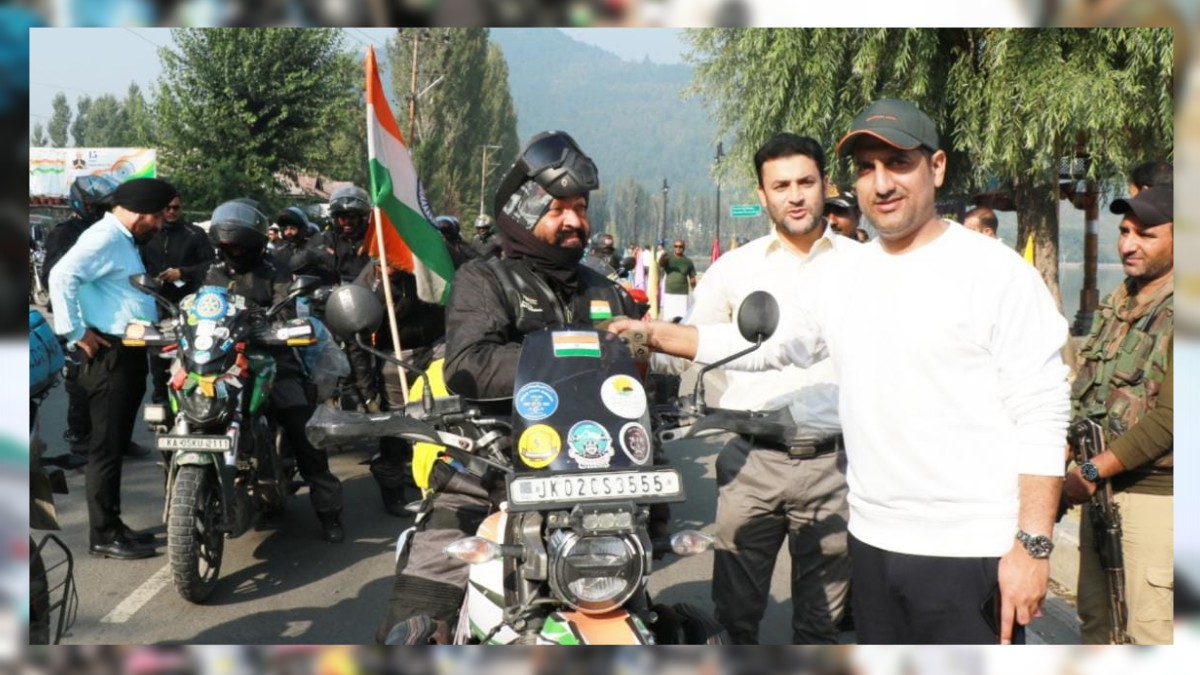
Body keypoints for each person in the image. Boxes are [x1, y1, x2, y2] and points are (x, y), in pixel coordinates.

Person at [610, 99, 1070, 645]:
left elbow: (1041, 411)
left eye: (898, 163)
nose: (881, 183)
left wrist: (1033, 546)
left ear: (937, 167)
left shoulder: (995, 273)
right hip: (872, 538)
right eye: (866, 167)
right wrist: (657, 334)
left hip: (966, 548)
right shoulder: (845, 277)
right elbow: (767, 344)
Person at [376, 130, 639, 643]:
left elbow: (637, 376)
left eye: (580, 208)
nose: (574, 221)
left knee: (641, 599)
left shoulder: (604, 289)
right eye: (558, 208)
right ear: (522, 209)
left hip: (594, 478)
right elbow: (469, 362)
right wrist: (576, 361)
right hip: (486, 469)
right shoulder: (485, 279)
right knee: (411, 616)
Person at [655, 133, 856, 643]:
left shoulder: (864, 267)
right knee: (735, 617)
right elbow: (699, 348)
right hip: (752, 465)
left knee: (823, 624)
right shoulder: (734, 270)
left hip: (838, 466)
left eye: (806, 182)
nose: (795, 196)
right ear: (763, 194)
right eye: (781, 185)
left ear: (825, 185)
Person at [48, 177, 177, 560]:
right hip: (109, 355)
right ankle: (103, 534)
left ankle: (114, 524)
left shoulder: (122, 239)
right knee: (105, 450)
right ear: (142, 214)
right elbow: (61, 276)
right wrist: (75, 331)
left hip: (128, 351)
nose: (159, 225)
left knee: (115, 445)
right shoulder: (103, 237)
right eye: (156, 218)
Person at [1066, 185, 1174, 644]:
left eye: (1146, 234)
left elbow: (1172, 420)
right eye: (1125, 231)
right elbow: (1084, 389)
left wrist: (1090, 470)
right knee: (1097, 625)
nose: (1128, 244)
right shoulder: (1119, 302)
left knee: (1151, 633)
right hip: (1101, 495)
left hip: (1158, 500)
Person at [205, 199, 346, 543]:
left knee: (301, 422)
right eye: (224, 245)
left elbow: (290, 310)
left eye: (235, 244)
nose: (229, 250)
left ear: (252, 243)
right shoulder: (213, 273)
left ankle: (328, 512)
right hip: (224, 360)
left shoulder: (276, 271)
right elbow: (201, 309)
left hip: (272, 358)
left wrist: (273, 326)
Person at [348, 256, 447, 516]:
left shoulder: (425, 262)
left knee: (447, 414)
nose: (391, 262)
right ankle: (392, 489)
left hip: (438, 346)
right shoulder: (364, 288)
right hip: (394, 356)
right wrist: (366, 392)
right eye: (383, 260)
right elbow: (355, 342)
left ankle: (452, 483)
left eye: (396, 254)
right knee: (397, 425)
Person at [42, 174, 121, 455]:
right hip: (77, 315)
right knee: (79, 379)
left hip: (106, 313)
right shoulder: (65, 232)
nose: (102, 213)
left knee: (112, 384)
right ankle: (79, 435)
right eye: (97, 208)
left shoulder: (111, 233)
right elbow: (53, 274)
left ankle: (115, 439)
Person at [139, 192, 216, 405]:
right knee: (158, 354)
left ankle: (193, 399)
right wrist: (151, 280)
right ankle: (161, 398)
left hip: (190, 304)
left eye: (176, 208)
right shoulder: (147, 234)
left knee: (192, 351)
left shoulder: (195, 233)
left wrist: (182, 273)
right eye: (167, 208)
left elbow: (211, 265)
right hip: (155, 303)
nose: (171, 212)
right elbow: (136, 265)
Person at [321, 185, 373, 283]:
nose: (347, 221)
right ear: (336, 218)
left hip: (369, 287)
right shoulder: (328, 237)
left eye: (352, 217)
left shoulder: (374, 237)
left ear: (362, 218)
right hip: (337, 290)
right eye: (343, 218)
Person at [273, 206, 336, 283]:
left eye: (292, 228)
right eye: (286, 229)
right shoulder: (280, 251)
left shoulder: (313, 246)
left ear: (302, 230)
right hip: (285, 292)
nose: (288, 232)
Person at [658, 238, 696, 321]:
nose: (678, 248)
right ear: (674, 247)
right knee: (668, 317)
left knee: (681, 317)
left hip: (682, 294)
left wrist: (694, 288)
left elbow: (692, 278)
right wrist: (662, 256)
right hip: (669, 292)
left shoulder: (688, 262)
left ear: (684, 248)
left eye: (680, 246)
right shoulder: (668, 259)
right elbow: (661, 264)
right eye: (676, 246)